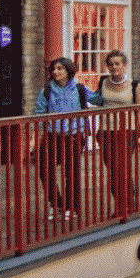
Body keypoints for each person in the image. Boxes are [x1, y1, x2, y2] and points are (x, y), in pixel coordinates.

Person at [32, 56, 99, 220]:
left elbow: (98, 99)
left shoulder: (79, 89)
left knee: (72, 172)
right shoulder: (47, 90)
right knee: (44, 169)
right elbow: (39, 112)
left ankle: (72, 207)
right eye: (53, 69)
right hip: (52, 136)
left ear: (68, 70)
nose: (55, 71)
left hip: (74, 137)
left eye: (60, 68)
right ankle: (57, 204)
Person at [95, 49, 140, 213]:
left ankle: (128, 204)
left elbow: (139, 111)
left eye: (117, 64)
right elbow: (96, 100)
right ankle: (123, 203)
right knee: (112, 170)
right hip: (106, 131)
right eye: (110, 64)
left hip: (127, 131)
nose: (114, 67)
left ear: (124, 66)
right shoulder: (102, 82)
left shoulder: (134, 85)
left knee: (123, 168)